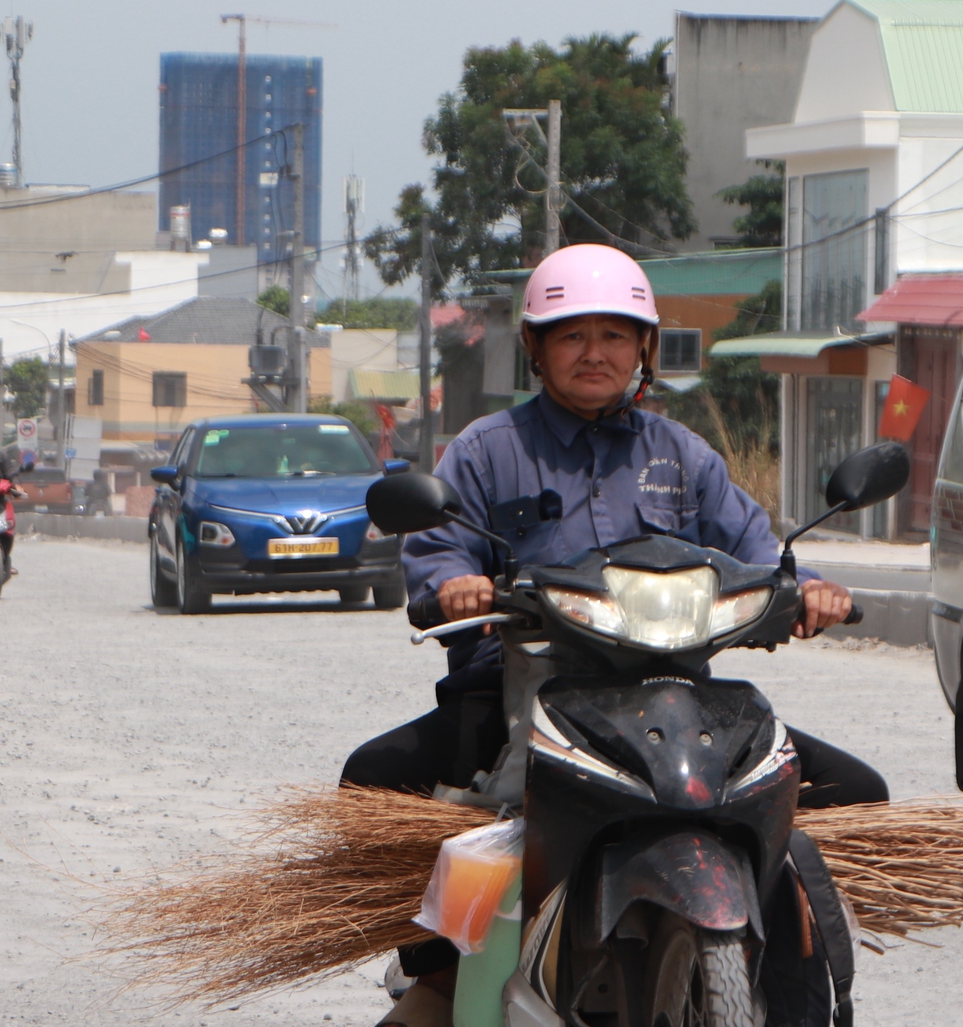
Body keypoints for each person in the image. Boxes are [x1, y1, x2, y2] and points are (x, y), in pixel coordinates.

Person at [342, 242, 878, 807]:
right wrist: (454, 587)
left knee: (860, 791)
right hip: (515, 696)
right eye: (573, 336)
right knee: (368, 778)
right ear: (535, 345)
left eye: (615, 337)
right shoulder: (486, 451)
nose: (594, 354)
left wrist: (810, 590)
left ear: (644, 347)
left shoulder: (684, 456)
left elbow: (756, 552)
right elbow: (441, 553)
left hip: (675, 699)